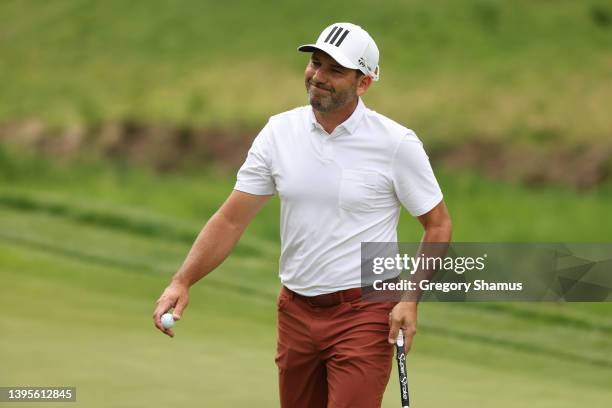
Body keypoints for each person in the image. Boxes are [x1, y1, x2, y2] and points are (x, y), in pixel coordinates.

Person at [153, 22, 452, 408]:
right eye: (316, 63)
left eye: (335, 70)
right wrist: (182, 281)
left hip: (366, 310)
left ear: (364, 83)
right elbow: (231, 219)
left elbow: (438, 224)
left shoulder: (396, 144)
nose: (319, 77)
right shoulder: (279, 132)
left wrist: (410, 299)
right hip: (295, 310)